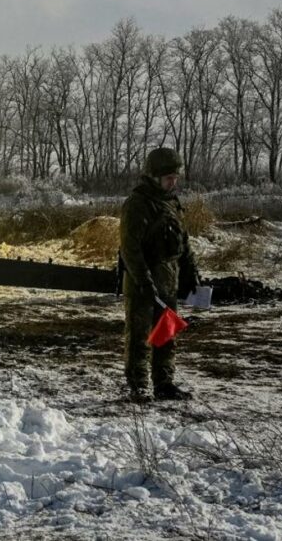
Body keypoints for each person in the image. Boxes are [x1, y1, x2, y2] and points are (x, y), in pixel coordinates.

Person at [119, 147, 200, 403]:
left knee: (166, 334)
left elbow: (182, 243)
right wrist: (144, 282)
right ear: (154, 177)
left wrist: (191, 273)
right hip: (142, 281)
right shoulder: (137, 204)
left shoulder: (171, 203)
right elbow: (130, 249)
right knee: (139, 337)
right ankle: (138, 385)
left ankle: (164, 383)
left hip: (168, 280)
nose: (173, 182)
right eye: (168, 178)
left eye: (175, 178)